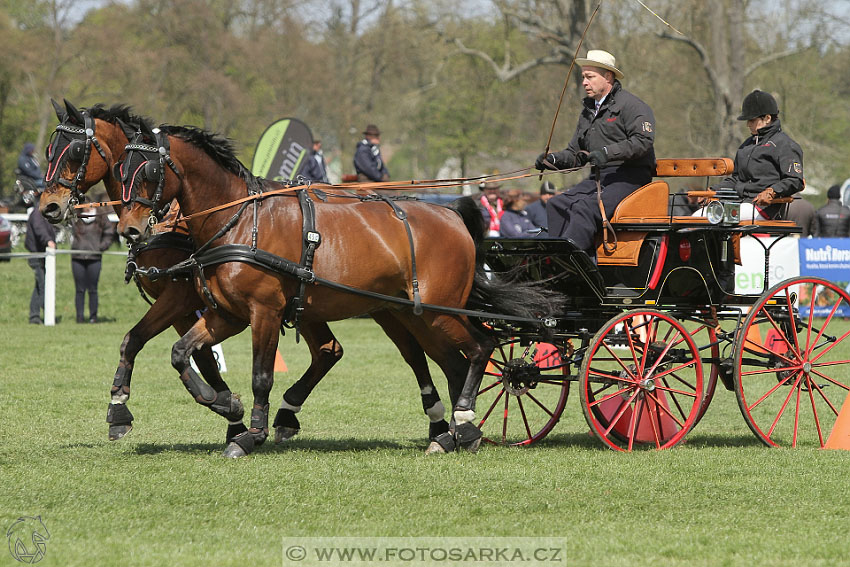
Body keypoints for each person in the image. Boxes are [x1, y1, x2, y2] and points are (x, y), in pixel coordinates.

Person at [535, 49, 655, 261]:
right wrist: (552, 160)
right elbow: (575, 153)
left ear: (608, 77)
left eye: (590, 77)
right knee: (557, 203)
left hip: (631, 178)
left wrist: (607, 153)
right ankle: (554, 261)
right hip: (600, 178)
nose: (584, 82)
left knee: (584, 208)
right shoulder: (588, 111)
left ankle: (570, 265)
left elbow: (642, 142)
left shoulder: (632, 106)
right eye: (583, 77)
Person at [704, 90, 804, 221]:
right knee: (697, 216)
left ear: (767, 118)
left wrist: (772, 191)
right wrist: (712, 191)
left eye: (752, 120)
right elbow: (736, 179)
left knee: (715, 217)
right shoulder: (746, 146)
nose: (747, 124)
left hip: (765, 208)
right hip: (739, 203)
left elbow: (795, 180)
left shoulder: (785, 145)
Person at [70, 197, 115, 323]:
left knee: (93, 289)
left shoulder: (101, 218)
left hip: (94, 258)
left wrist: (101, 247)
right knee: (79, 289)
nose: (88, 207)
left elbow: (109, 233)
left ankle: (93, 317)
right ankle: (79, 317)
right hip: (77, 257)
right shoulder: (77, 218)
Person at [25, 189, 56, 324]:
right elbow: (40, 230)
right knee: (43, 285)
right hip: (37, 256)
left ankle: (35, 315)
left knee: (39, 285)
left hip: (42, 255)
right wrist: (48, 241)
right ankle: (42, 311)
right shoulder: (37, 214)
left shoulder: (42, 213)